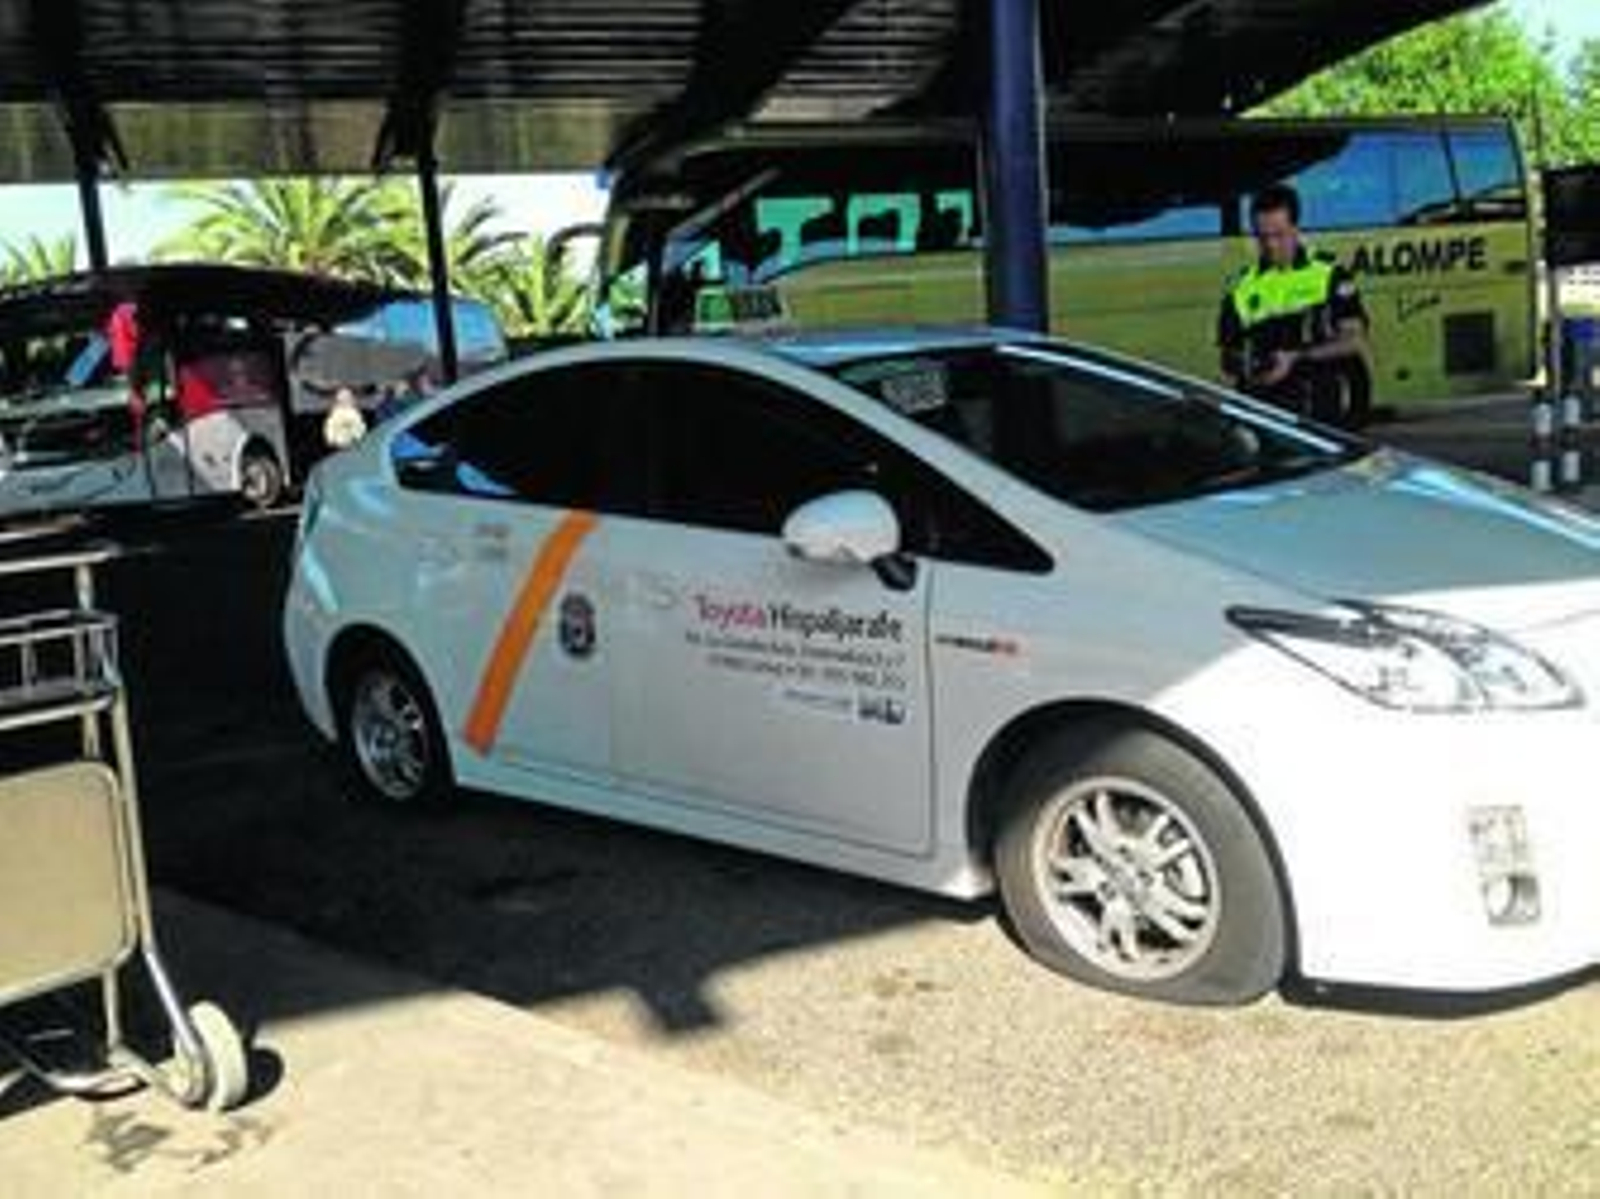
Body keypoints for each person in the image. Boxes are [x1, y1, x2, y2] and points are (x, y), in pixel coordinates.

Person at [1218, 184, 1371, 427]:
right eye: (1262, 236)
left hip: (1325, 413)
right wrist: (1250, 366)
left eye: (1279, 235)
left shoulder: (1328, 274)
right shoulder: (1240, 289)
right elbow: (1227, 357)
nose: (1270, 245)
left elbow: (1354, 340)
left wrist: (1296, 358)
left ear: (1296, 229)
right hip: (1269, 415)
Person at [322, 386, 368, 451]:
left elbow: (360, 427)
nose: (344, 401)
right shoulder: (336, 414)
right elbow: (329, 428)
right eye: (342, 400)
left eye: (347, 399)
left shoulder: (353, 414)